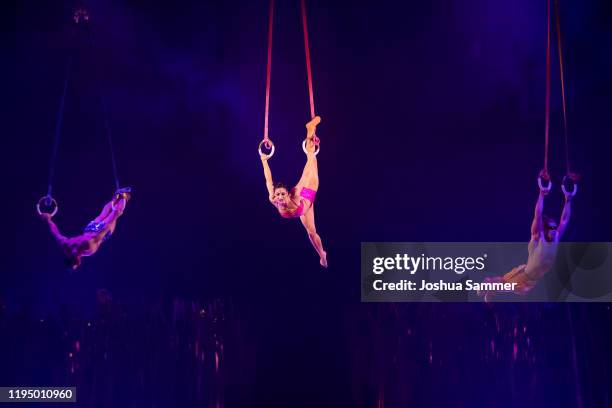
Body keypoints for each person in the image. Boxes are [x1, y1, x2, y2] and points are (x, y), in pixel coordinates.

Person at [479, 171, 574, 301]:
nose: (553, 229)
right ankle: (484, 289)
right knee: (501, 283)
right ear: (544, 229)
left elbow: (564, 220)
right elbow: (538, 214)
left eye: (554, 227)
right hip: (524, 276)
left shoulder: (556, 237)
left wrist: (568, 199)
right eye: (550, 227)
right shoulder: (537, 238)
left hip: (532, 281)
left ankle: (488, 290)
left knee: (502, 283)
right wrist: (542, 193)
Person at [260, 116, 328, 267]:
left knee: (311, 162)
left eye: (281, 194)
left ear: (288, 194)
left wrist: (264, 161)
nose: (278, 197)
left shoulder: (295, 194)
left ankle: (310, 131)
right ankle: (322, 255)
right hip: (303, 210)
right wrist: (264, 161)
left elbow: (304, 175)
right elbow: (268, 181)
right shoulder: (273, 198)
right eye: (278, 194)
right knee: (311, 233)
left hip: (307, 194)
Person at [39, 190, 131, 270]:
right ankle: (120, 197)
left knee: (110, 214)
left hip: (95, 232)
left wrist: (48, 220)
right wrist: (48, 220)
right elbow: (55, 233)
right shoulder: (71, 246)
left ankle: (120, 197)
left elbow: (55, 233)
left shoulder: (83, 247)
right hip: (96, 232)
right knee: (107, 215)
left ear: (77, 261)